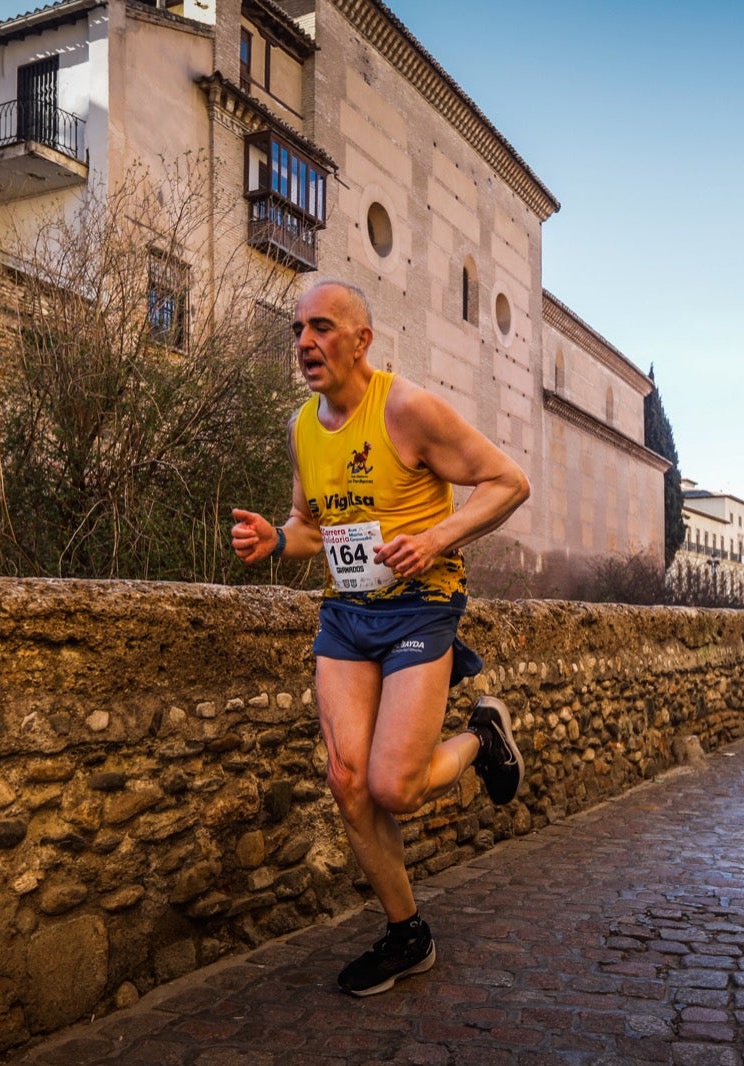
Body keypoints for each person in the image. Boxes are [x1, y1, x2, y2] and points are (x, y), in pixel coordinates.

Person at [230, 279, 531, 996]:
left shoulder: (405, 408)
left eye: (322, 327)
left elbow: (507, 481)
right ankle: (407, 934)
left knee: (394, 787)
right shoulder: (304, 426)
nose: (304, 342)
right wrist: (276, 538)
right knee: (346, 780)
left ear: (362, 341)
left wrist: (435, 537)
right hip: (347, 613)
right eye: (298, 329)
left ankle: (481, 740)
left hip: (421, 607)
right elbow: (312, 526)